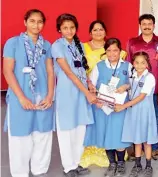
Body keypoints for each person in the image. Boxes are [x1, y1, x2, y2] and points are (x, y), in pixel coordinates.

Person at [3, 9, 54, 177]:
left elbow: (50, 72)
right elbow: (7, 71)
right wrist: (21, 98)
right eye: (32, 21)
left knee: (43, 133)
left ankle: (40, 170)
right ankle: (20, 173)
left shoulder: (46, 45)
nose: (36, 25)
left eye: (40, 22)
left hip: (42, 95)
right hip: (21, 94)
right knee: (20, 135)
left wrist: (50, 95)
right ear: (25, 22)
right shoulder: (13, 43)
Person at [51, 13, 95, 177]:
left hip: (82, 92)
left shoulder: (80, 46)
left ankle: (76, 163)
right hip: (67, 92)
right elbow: (69, 73)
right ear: (59, 30)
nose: (69, 31)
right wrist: (87, 93)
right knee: (67, 129)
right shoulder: (57, 46)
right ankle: (68, 166)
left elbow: (83, 69)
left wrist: (89, 84)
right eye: (65, 28)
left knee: (80, 128)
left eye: (72, 27)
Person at [80, 20, 128, 169]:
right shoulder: (99, 66)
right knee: (105, 133)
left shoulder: (128, 66)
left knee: (119, 134)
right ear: (105, 52)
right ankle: (112, 164)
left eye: (115, 50)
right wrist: (96, 101)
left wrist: (126, 85)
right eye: (109, 51)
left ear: (120, 51)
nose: (112, 53)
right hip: (102, 107)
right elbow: (92, 86)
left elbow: (134, 84)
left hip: (120, 107)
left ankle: (120, 163)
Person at [126, 14, 158, 160]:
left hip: (155, 89)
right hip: (136, 89)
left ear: (154, 25)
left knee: (155, 118)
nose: (147, 26)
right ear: (140, 25)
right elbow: (129, 65)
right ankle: (137, 147)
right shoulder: (132, 42)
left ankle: (154, 148)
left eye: (150, 23)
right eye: (144, 23)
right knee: (135, 118)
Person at [117, 52, 158, 177]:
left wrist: (124, 106)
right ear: (133, 64)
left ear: (147, 64)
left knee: (146, 140)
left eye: (143, 63)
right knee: (137, 139)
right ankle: (137, 164)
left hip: (144, 111)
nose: (139, 65)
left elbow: (141, 96)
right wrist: (125, 86)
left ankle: (148, 165)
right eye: (136, 62)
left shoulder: (150, 77)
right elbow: (132, 86)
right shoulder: (133, 75)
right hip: (133, 111)